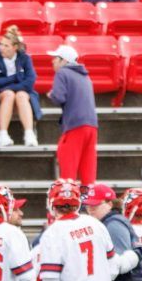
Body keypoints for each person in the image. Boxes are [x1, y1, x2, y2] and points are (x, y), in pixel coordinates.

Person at [0, 25, 40, 147]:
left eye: (6, 46)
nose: (1, 48)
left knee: (21, 95)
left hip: (19, 93)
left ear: (15, 48)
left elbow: (30, 83)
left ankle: (29, 134)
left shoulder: (25, 58)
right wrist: (13, 79)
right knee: (9, 95)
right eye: (1, 44)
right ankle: (2, 135)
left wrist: (5, 87)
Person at [47, 44, 97, 183]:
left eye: (56, 58)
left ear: (64, 61)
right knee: (88, 173)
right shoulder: (86, 76)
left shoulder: (63, 73)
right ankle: (90, 201)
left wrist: (51, 95)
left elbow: (59, 97)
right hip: (92, 126)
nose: (52, 61)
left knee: (68, 174)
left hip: (75, 125)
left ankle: (67, 202)